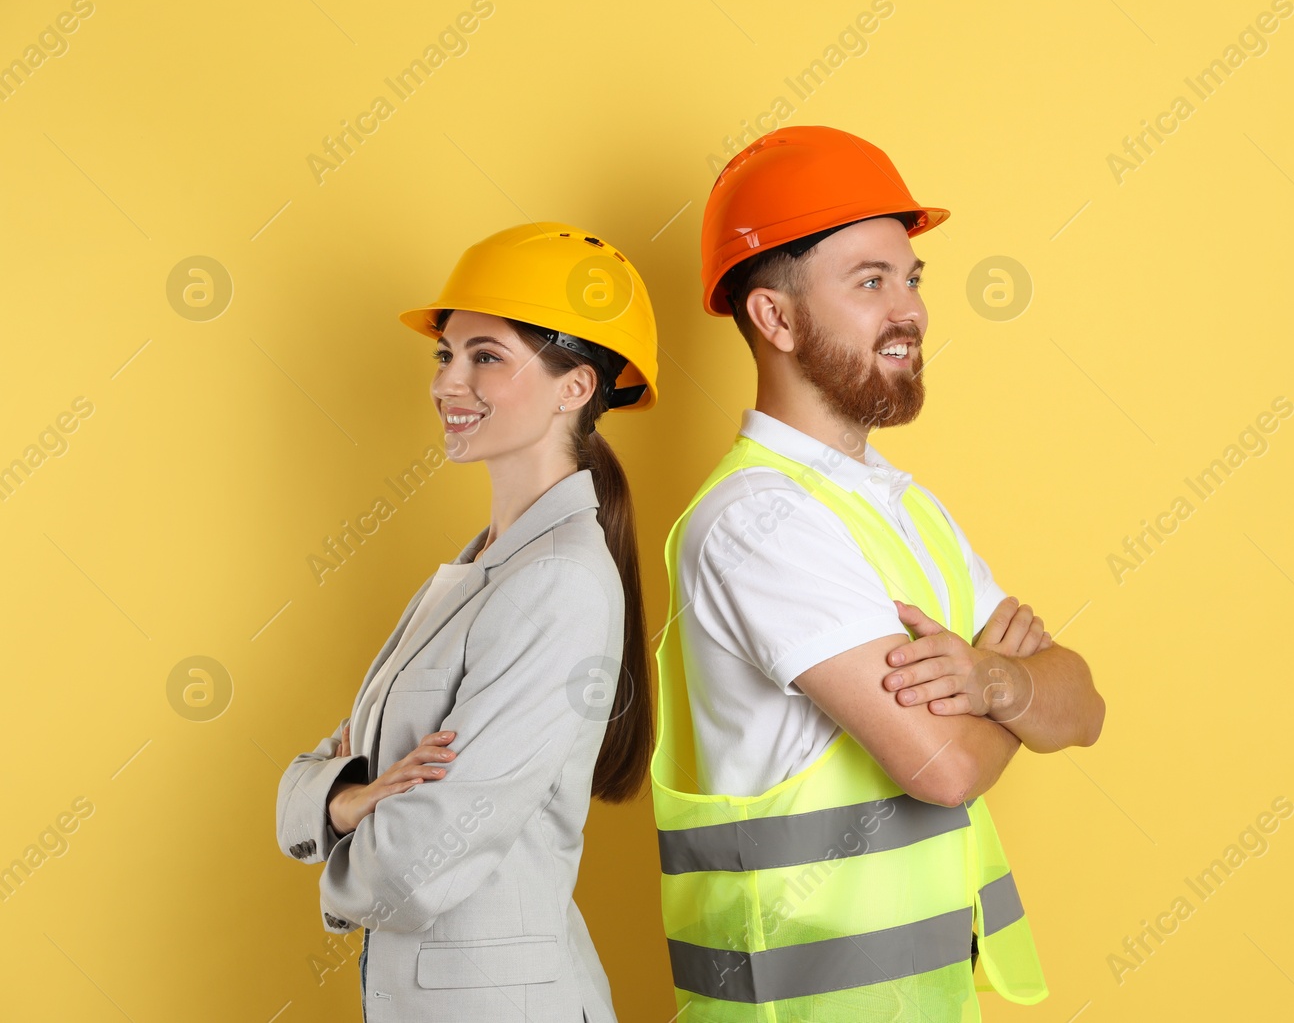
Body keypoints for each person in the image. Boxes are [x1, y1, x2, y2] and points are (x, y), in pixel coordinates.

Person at [648, 126, 1107, 1021]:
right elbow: (939, 766)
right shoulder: (757, 520)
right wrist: (1011, 694)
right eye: (869, 282)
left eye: (911, 279)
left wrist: (986, 679)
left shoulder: (905, 507)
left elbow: (1085, 705)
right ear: (774, 319)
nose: (911, 310)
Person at [275, 222, 658, 1023]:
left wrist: (337, 816)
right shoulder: (484, 566)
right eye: (446, 354)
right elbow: (328, 764)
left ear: (574, 386)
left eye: (486, 356)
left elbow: (415, 866)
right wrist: (349, 797)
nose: (450, 381)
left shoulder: (558, 583)